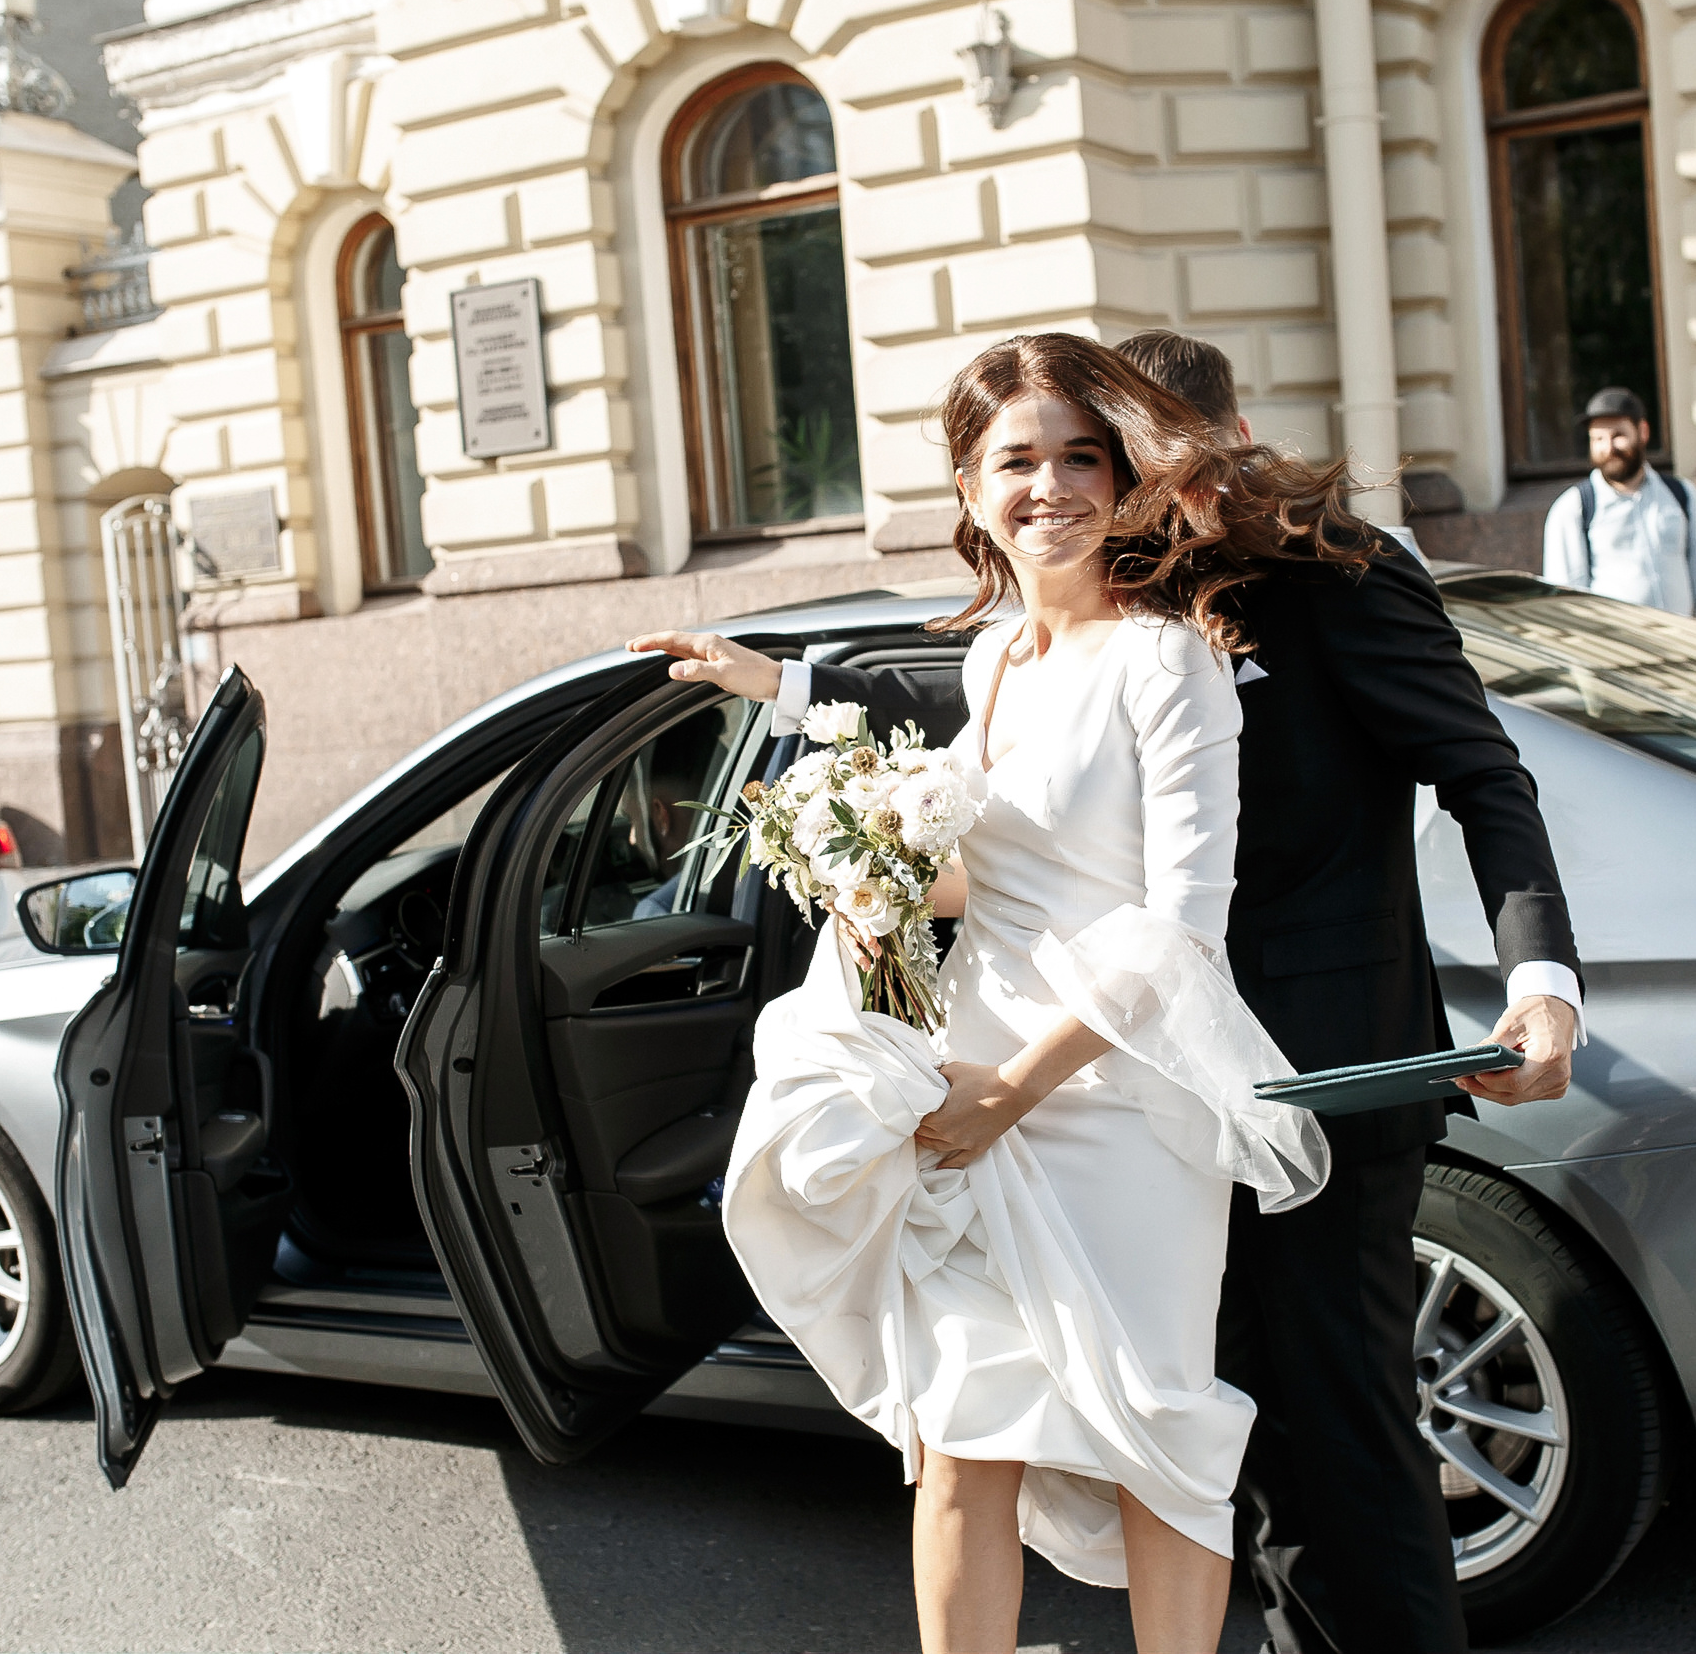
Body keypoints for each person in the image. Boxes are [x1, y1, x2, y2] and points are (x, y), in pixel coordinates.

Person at [637, 329, 1582, 1654]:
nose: (1143, 483)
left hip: (1309, 1076)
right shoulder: (1094, 595)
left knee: (1342, 1436)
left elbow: (1485, 775)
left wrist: (1543, 981)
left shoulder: (1338, 580)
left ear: (1219, 441)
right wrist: (798, 691)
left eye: (1133, 453)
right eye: (1099, 457)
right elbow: (1002, 729)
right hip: (1122, 1095)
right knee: (1217, 1448)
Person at [717, 334, 1348, 1654]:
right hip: (962, 1094)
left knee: (1152, 1434)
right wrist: (873, 871)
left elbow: (1178, 924)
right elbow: (994, 876)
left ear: (1122, 477)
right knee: (958, 1437)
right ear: (968, 484)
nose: (1050, 483)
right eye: (1018, 458)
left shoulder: (1168, 662)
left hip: (1115, 1106)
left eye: (1082, 456)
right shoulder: (996, 660)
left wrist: (1015, 1088)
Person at [1540, 385, 1696, 627]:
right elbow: (1565, 608)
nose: (1608, 448)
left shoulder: (1681, 495)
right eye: (1598, 439)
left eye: (1618, 435)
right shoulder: (1573, 509)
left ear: (1642, 432)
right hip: (1616, 655)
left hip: (1682, 650)